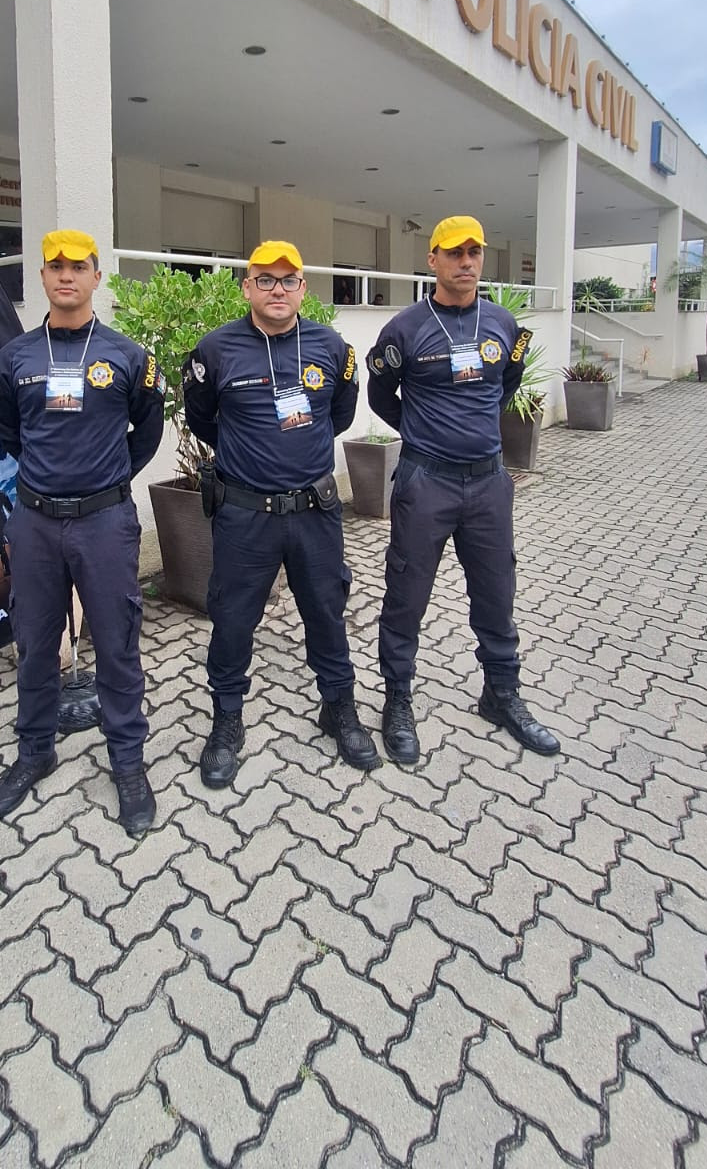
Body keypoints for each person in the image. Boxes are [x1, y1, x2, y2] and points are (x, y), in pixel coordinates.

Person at [0, 229, 166, 835]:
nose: (66, 276)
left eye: (78, 267)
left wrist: (104, 482)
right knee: (35, 641)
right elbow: (9, 429)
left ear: (97, 277)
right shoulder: (14, 359)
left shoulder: (127, 356)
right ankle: (36, 750)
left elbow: (145, 433)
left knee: (117, 641)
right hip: (34, 522)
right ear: (42, 278)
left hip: (105, 522)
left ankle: (128, 761)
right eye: (55, 266)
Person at [183, 240, 380, 789]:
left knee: (326, 611)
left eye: (288, 280)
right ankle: (226, 721)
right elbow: (203, 420)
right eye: (265, 279)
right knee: (232, 620)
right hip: (245, 515)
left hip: (314, 512)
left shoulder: (331, 347)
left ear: (303, 289)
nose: (277, 289)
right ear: (246, 287)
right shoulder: (215, 350)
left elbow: (338, 415)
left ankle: (338, 707)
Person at [366, 216, 560, 761]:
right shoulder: (404, 329)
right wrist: (426, 435)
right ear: (433, 260)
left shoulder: (503, 323)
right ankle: (397, 699)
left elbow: (507, 385)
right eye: (455, 253)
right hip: (426, 483)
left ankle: (501, 694)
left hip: (490, 485)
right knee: (406, 598)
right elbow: (382, 396)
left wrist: (472, 435)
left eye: (474, 251)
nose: (468, 262)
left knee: (497, 596)